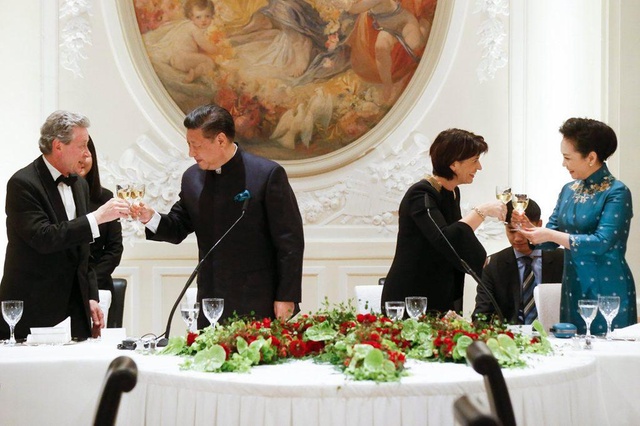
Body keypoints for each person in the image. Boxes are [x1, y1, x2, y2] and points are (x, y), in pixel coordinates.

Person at [131, 103, 304, 327]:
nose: (191, 153)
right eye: (189, 145)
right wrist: (149, 216)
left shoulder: (266, 175)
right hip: (211, 300)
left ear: (220, 140)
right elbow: (177, 226)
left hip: (258, 299)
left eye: (196, 145)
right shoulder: (192, 178)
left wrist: (286, 296)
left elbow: (289, 242)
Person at [0, 111, 130, 341]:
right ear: (58, 146)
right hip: (34, 307)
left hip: (75, 310)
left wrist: (89, 297)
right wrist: (96, 218)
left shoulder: (79, 184)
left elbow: (83, 251)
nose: (87, 153)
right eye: (81, 146)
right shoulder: (23, 184)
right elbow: (44, 237)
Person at [518, 117, 637, 334]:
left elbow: (602, 242)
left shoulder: (617, 192)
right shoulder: (568, 190)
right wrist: (530, 231)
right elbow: (551, 237)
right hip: (573, 285)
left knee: (608, 353)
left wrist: (550, 235)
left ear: (591, 157)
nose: (563, 164)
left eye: (567, 157)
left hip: (607, 287)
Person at [380, 128, 506, 314]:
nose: (479, 167)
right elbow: (444, 238)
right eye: (474, 161)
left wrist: (485, 264)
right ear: (454, 164)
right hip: (412, 295)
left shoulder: (452, 192)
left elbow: (457, 239)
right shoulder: (421, 194)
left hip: (440, 289)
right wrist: (482, 211)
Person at [473, 199, 564, 324]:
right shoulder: (493, 265)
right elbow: (481, 316)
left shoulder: (562, 260)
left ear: (538, 224)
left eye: (524, 230)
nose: (517, 238)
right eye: (511, 230)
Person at [78, 137, 124, 319]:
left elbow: (114, 249)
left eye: (86, 155)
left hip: (100, 286)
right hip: (64, 286)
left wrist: (89, 283)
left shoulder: (105, 197)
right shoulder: (57, 196)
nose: (81, 161)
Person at [144, 0, 218, 83]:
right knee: (209, 62)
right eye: (198, 17)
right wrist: (217, 49)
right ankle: (194, 74)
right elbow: (205, 45)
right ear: (191, 17)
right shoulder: (194, 28)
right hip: (183, 58)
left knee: (202, 59)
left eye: (207, 16)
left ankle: (193, 72)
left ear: (212, 15)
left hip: (174, 59)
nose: (203, 20)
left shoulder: (185, 25)